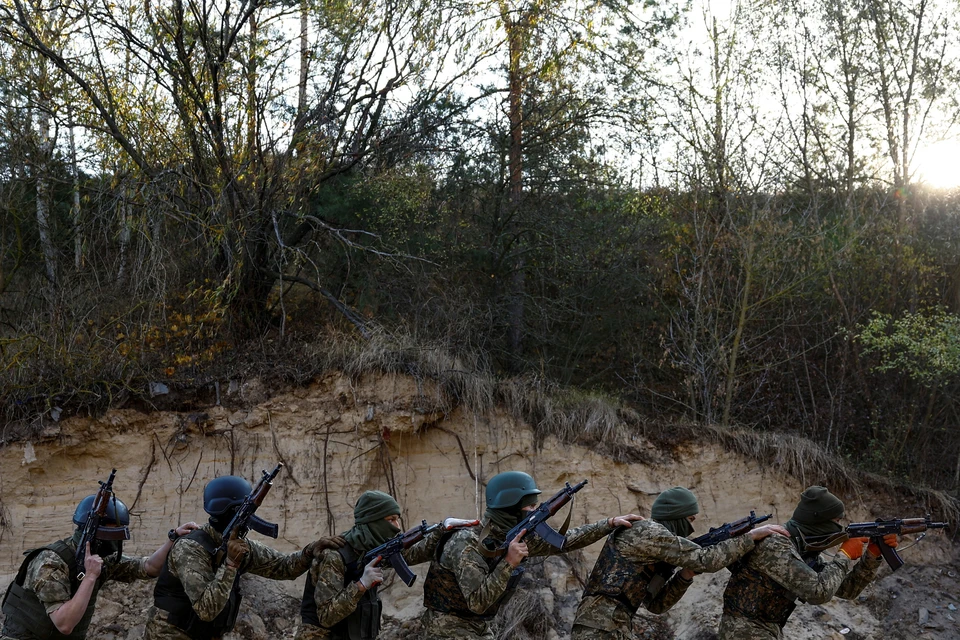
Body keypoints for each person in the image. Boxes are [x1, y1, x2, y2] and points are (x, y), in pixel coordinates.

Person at [419, 470, 643, 640]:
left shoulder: (514, 536)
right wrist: (508, 562)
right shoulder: (466, 542)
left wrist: (609, 524)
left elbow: (565, 541)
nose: (535, 511)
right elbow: (478, 602)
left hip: (479, 627)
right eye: (531, 506)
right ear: (511, 508)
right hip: (445, 629)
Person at [570, 486, 791, 639]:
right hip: (599, 627)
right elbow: (706, 560)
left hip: (611, 626)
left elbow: (656, 605)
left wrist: (685, 576)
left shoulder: (657, 547)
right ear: (677, 515)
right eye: (690, 520)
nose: (692, 528)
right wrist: (750, 537)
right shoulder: (649, 532)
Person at [143, 475, 343, 640]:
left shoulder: (236, 543)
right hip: (169, 634)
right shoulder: (190, 548)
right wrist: (231, 565)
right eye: (243, 512)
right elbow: (207, 609)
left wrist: (310, 550)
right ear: (228, 512)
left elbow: (284, 567)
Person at [1, 492, 199, 640]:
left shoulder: (101, 558)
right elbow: (64, 624)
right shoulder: (51, 562)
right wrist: (90, 576)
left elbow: (149, 567)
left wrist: (173, 539)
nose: (115, 542)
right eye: (111, 535)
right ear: (96, 534)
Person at [718, 485, 898, 639]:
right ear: (817, 521)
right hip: (744, 631)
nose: (839, 528)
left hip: (763, 630)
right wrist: (844, 555)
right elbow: (818, 592)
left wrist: (872, 556)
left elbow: (846, 589)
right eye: (836, 521)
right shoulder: (775, 546)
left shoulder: (802, 552)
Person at [295, 489, 462, 639]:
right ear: (373, 522)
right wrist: (360, 586)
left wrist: (441, 531)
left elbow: (414, 554)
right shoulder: (334, 556)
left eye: (397, 519)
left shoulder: (372, 547)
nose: (397, 527)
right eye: (391, 520)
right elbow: (326, 616)